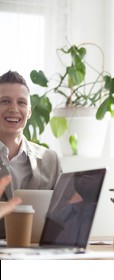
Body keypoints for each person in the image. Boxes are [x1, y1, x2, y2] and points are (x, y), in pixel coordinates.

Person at [0, 70, 62, 238]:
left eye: (21, 102)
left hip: (37, 254)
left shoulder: (51, 160)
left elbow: (62, 218)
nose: (14, 109)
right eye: (5, 101)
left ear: (29, 111)